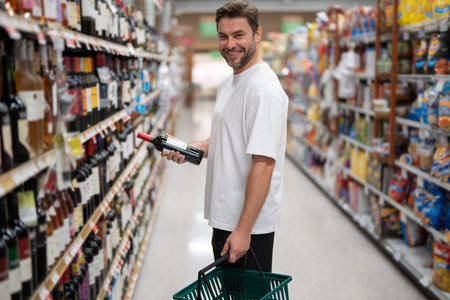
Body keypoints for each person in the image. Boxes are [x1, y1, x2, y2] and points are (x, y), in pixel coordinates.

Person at [163, 0, 288, 272]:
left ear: (257, 34)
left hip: (248, 225)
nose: (230, 44)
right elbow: (226, 141)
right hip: (224, 216)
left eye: (239, 35)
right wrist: (189, 148)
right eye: (223, 36)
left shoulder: (263, 89)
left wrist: (244, 230)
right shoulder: (229, 82)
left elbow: (264, 164)